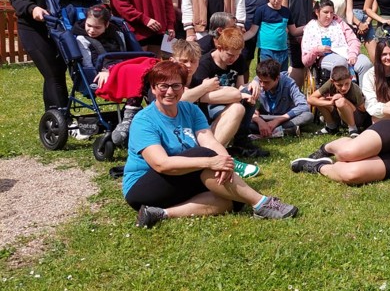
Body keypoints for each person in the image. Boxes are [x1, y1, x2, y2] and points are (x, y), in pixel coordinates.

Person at [123, 60, 296, 229]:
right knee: (202, 154)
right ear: (153, 88)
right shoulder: (144, 120)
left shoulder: (190, 110)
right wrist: (211, 162)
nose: (170, 91)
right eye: (163, 86)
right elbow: (161, 164)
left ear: (183, 88)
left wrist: (226, 163)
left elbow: (210, 141)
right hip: (143, 188)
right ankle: (261, 203)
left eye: (176, 86)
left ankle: (160, 213)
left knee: (235, 199)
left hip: (180, 178)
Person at [11, 0, 74, 110]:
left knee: (58, 71)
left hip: (61, 28)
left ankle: (53, 118)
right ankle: (61, 117)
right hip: (34, 29)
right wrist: (33, 8)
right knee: (53, 72)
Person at [188, 27, 258, 159]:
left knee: (249, 93)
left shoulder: (238, 60)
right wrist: (235, 95)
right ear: (219, 48)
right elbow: (204, 95)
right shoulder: (205, 63)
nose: (234, 59)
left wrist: (251, 85)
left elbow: (240, 85)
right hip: (210, 103)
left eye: (237, 55)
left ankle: (241, 141)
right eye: (230, 55)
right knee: (238, 104)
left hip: (231, 97)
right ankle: (214, 149)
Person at [300, 0, 371, 79]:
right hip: (326, 57)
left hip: (347, 52)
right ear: (317, 12)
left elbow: (353, 40)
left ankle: (363, 87)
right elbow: (306, 61)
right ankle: (342, 86)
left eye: (331, 12)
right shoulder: (310, 28)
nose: (329, 16)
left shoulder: (339, 23)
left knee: (365, 63)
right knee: (340, 63)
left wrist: (352, 54)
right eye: (326, 12)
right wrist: (316, 50)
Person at [248, 58, 311, 139]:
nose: (262, 85)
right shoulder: (256, 83)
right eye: (260, 81)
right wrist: (259, 121)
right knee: (243, 118)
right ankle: (282, 131)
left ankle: (270, 130)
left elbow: (304, 106)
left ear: (277, 78)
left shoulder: (289, 84)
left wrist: (277, 121)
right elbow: (245, 106)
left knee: (308, 116)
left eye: (266, 82)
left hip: (283, 117)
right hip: (263, 117)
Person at [243, 0, 299, 70]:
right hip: (266, 50)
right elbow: (252, 31)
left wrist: (309, 26)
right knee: (266, 74)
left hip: (283, 50)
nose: (276, 1)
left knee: (281, 76)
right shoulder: (261, 11)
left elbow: (294, 31)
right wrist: (240, 39)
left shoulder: (286, 12)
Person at [307, 64, 371, 137]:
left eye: (347, 84)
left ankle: (353, 129)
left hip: (357, 118)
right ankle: (331, 127)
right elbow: (310, 99)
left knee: (340, 102)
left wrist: (344, 100)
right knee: (320, 100)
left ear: (351, 78)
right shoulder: (330, 84)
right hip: (340, 114)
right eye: (339, 85)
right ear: (332, 81)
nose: (344, 88)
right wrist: (330, 102)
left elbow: (363, 109)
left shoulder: (355, 89)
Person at [284, 0, 316, 88]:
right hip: (298, 31)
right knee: (298, 65)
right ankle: (293, 96)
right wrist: (299, 32)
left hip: (296, 29)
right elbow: (297, 7)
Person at [73, 4, 125, 88]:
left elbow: (124, 53)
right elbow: (88, 65)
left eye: (97, 27)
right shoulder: (81, 39)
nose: (92, 30)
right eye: (89, 25)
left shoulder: (117, 34)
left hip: (120, 66)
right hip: (100, 72)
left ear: (106, 25)